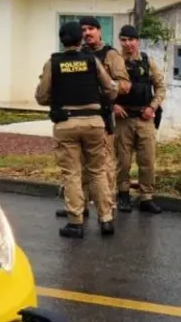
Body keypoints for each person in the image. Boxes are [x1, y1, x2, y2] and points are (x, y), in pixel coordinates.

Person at [35, 21, 118, 238]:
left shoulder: (53, 62)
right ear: (80, 39)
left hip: (66, 123)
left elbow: (41, 96)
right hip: (94, 123)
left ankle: (75, 222)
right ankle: (106, 219)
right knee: (98, 171)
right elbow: (110, 89)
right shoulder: (91, 60)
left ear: (62, 40)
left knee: (72, 173)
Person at [55, 16, 131, 219]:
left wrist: (101, 89)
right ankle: (78, 206)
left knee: (103, 167)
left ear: (99, 31)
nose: (87, 33)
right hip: (74, 117)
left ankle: (107, 208)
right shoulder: (74, 55)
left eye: (91, 29)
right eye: (83, 29)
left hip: (100, 117)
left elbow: (124, 84)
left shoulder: (110, 55)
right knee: (76, 166)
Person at [113, 25, 166, 214]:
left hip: (145, 118)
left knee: (147, 161)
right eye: (124, 40)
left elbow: (160, 87)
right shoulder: (114, 61)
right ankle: (123, 195)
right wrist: (113, 105)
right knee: (123, 161)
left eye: (131, 40)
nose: (127, 44)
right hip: (123, 119)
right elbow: (102, 88)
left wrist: (152, 107)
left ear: (138, 41)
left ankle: (146, 198)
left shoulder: (147, 61)